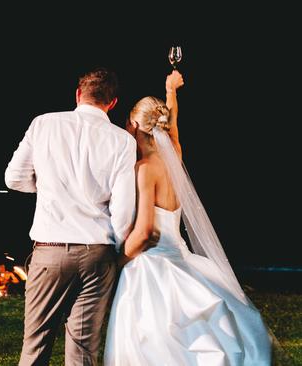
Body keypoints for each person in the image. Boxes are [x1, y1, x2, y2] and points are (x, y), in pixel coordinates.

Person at [104, 71, 271, 365]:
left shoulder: (144, 168)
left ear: (132, 126)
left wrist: (115, 264)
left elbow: (143, 232)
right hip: (181, 257)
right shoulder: (174, 156)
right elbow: (175, 128)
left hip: (151, 264)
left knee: (150, 341)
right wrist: (171, 92)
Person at [6, 67, 136, 365]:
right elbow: (123, 210)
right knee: (83, 352)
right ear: (112, 102)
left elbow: (13, 178)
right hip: (97, 254)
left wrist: (50, 188)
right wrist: (116, 250)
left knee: (35, 345)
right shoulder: (122, 141)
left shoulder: (43, 124)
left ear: (78, 95)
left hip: (50, 252)